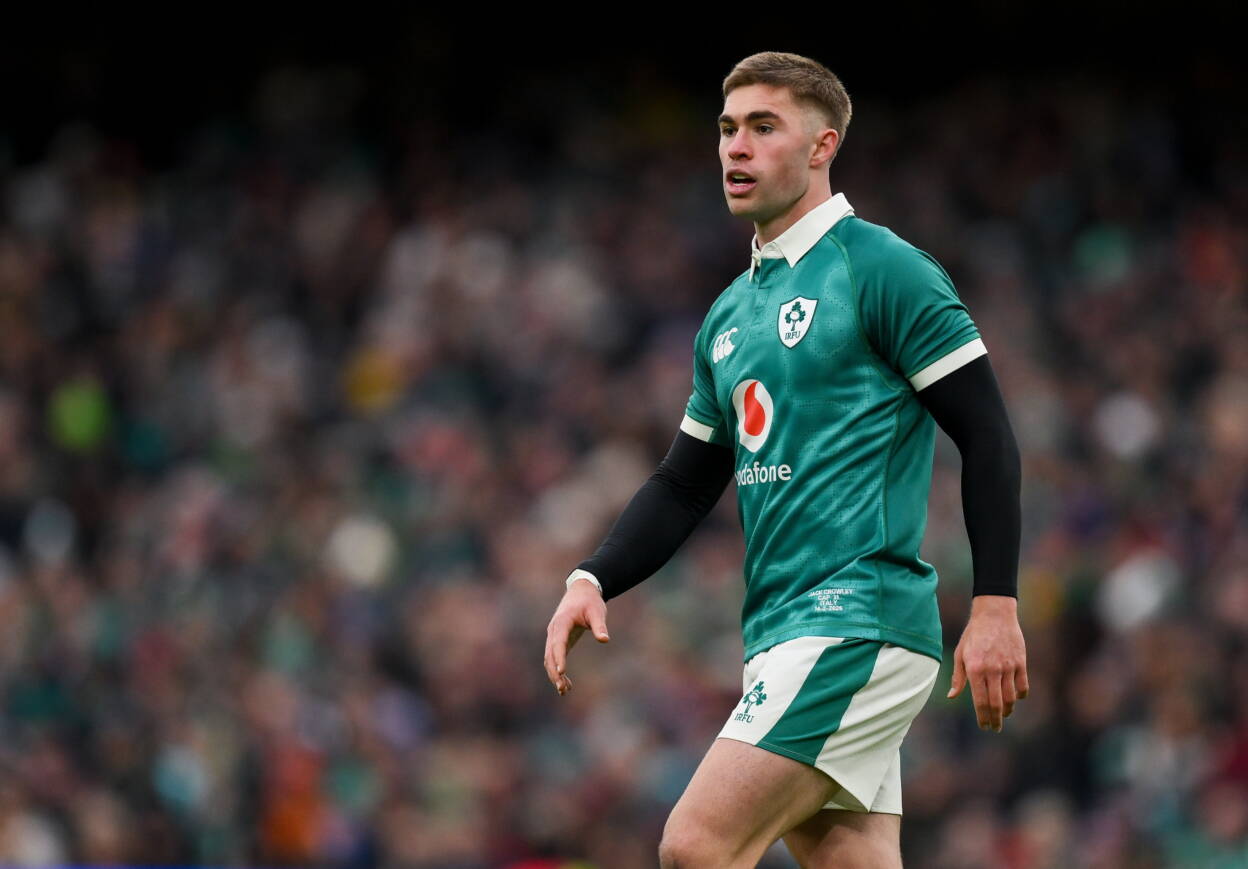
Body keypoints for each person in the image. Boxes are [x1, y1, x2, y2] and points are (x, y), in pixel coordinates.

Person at [543, 51, 1028, 868]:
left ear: (821, 145)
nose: (736, 146)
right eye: (728, 128)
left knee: (696, 845)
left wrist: (995, 605)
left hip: (854, 622)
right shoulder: (729, 315)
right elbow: (685, 481)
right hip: (780, 629)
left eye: (764, 127)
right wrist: (592, 577)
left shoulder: (884, 269)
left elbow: (988, 435)